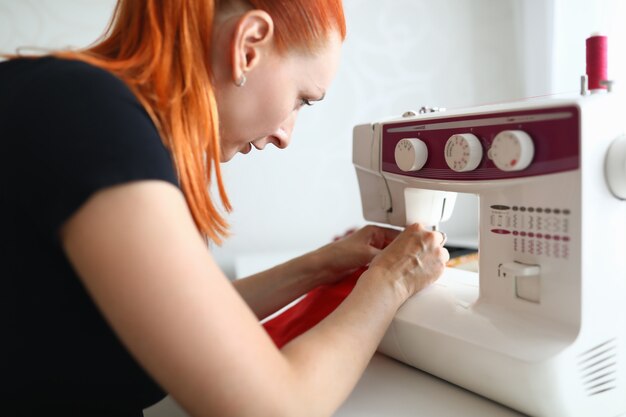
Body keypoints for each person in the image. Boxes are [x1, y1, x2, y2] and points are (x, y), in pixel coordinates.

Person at [0, 0, 449, 416]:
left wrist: (322, 265)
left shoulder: (74, 104)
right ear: (248, 45)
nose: (285, 134)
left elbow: (181, 318)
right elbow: (277, 407)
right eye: (301, 99)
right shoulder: (92, 120)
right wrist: (391, 281)